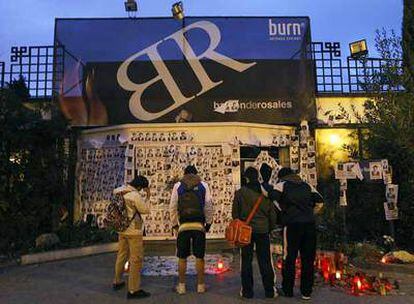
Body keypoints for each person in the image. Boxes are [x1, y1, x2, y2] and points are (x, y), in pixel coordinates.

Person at [261, 167, 324, 301]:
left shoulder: (282, 185)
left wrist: (283, 211)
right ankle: (306, 292)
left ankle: (288, 289)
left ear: (282, 177)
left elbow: (270, 195)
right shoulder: (307, 186)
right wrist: (310, 213)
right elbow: (320, 201)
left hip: (291, 226)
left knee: (289, 257)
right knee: (308, 259)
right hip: (309, 225)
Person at [232, 167, 278, 299]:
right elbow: (272, 214)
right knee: (265, 261)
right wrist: (270, 228)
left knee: (246, 261)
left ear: (246, 178)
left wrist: (241, 222)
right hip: (263, 231)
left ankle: (247, 292)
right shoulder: (265, 193)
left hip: (245, 232)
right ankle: (269, 291)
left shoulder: (240, 193)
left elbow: (235, 214)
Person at [170, 165, 213, 295]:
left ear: (184, 173)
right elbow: (208, 206)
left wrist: (175, 225)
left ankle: (181, 286)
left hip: (183, 226)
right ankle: (200, 286)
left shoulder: (178, 186)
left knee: (182, 257)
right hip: (199, 225)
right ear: (196, 173)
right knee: (200, 256)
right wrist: (208, 223)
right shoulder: (203, 185)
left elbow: (172, 207)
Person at [112, 175, 151, 299]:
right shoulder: (135, 196)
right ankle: (133, 290)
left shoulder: (119, 191)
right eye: (142, 188)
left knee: (121, 255)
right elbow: (145, 210)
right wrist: (148, 196)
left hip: (121, 229)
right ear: (139, 187)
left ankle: (117, 281)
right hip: (134, 231)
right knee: (136, 259)